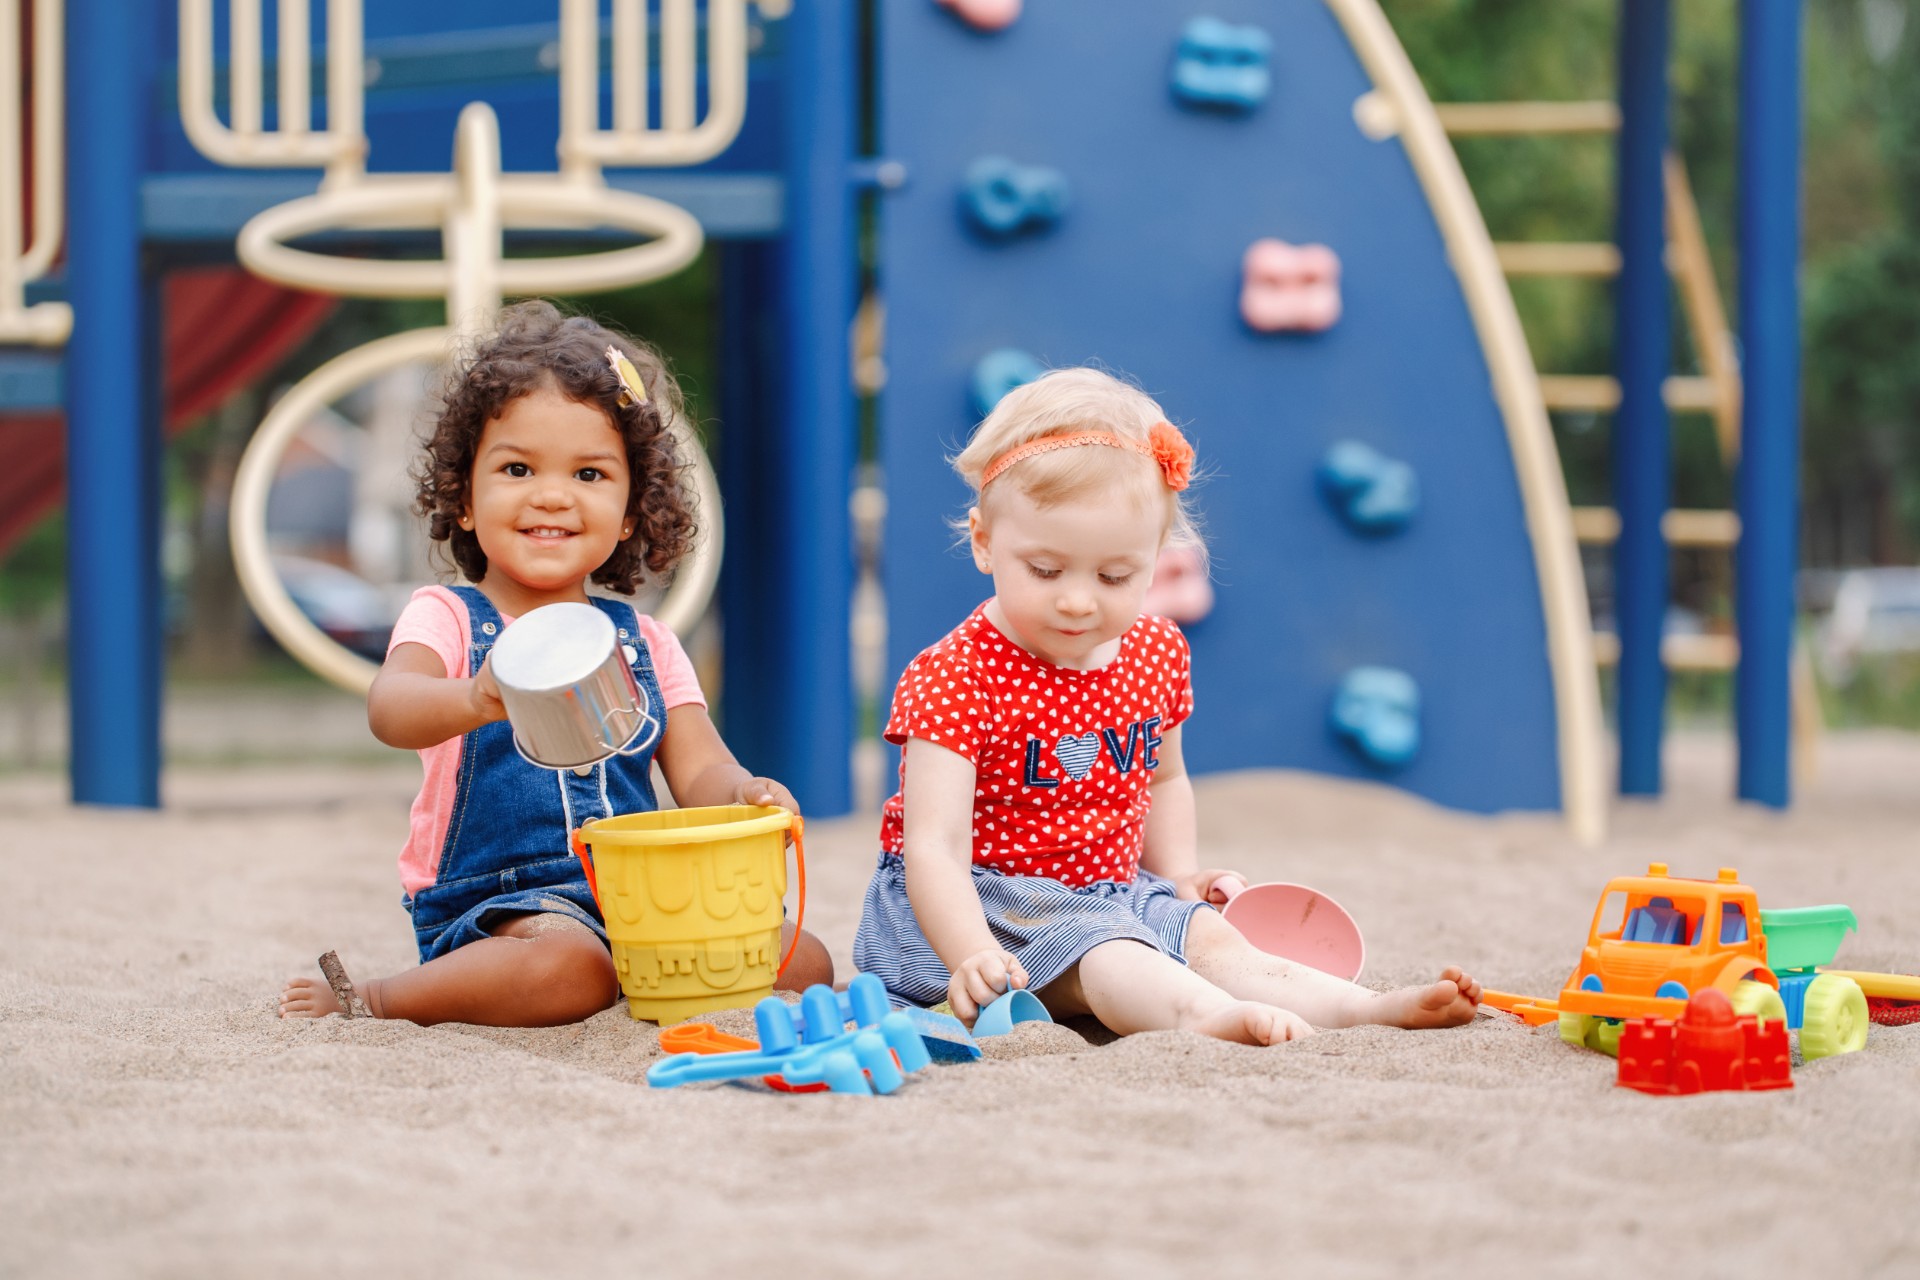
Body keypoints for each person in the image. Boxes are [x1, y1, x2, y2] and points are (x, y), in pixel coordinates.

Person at [853, 367, 1479, 1045]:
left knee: (1214, 939)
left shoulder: (1154, 653)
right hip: (984, 909)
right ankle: (1204, 1018)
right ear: (983, 541)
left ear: (1155, 558)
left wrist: (1178, 874)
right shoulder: (957, 675)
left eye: (1115, 576)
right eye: (1045, 570)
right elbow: (934, 847)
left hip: (1113, 890)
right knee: (1112, 954)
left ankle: (1361, 1007)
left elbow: (1163, 778)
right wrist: (969, 953)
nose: (1078, 599)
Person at [281, 301, 832, 1026]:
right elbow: (392, 709)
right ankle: (380, 998)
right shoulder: (448, 618)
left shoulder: (646, 642)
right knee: (565, 968)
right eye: (516, 468)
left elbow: (699, 770)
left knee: (805, 958)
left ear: (632, 509)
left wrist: (746, 793)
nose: (552, 495)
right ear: (466, 499)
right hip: (501, 907)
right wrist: (475, 698)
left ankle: (637, 975)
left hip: (639, 898)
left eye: (590, 475)